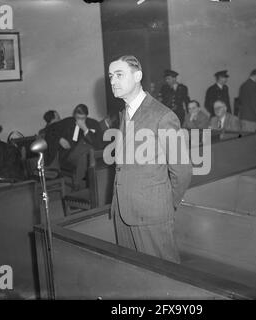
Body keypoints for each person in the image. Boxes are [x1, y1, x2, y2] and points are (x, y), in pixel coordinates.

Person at [109, 55, 192, 263]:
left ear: (138, 76)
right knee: (133, 276)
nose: (112, 81)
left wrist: (165, 204)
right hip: (122, 211)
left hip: (151, 214)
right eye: (110, 76)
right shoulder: (124, 113)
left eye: (119, 75)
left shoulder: (162, 116)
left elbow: (182, 170)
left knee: (164, 279)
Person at [44, 104, 103, 190]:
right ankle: (80, 186)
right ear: (74, 115)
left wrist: (85, 129)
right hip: (69, 154)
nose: (79, 121)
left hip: (89, 155)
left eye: (82, 118)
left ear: (87, 116)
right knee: (87, 153)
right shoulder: (67, 122)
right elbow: (49, 130)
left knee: (88, 152)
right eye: (77, 118)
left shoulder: (94, 124)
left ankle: (81, 185)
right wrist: (59, 139)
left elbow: (99, 144)